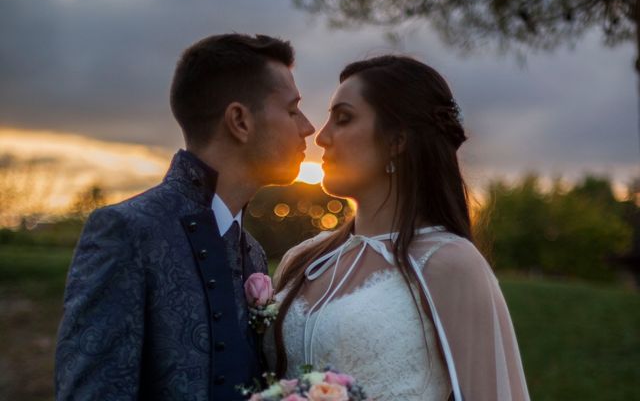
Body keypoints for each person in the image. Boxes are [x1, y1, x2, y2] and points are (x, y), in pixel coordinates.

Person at [55, 33, 315, 400]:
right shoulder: (127, 231)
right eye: (292, 110)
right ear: (240, 120)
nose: (308, 127)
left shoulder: (253, 252)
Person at [265, 55, 530, 401]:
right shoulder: (302, 260)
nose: (322, 137)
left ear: (397, 141)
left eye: (343, 119)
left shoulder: (449, 263)